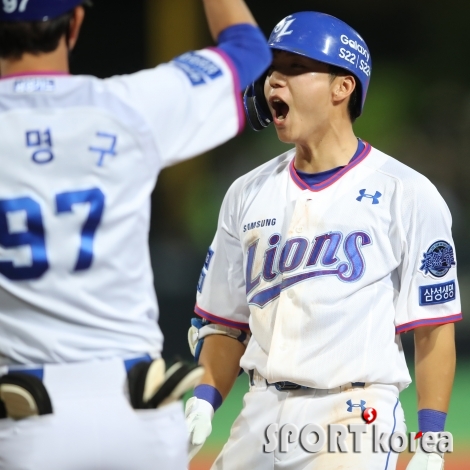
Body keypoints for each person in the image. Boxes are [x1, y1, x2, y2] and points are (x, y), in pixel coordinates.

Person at [0, 0, 271, 469]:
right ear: (76, 22)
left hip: (26, 412)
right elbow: (248, 50)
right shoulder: (130, 104)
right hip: (137, 412)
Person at [185, 11, 460, 470]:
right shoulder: (246, 193)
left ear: (342, 87)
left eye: (294, 68)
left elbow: (433, 328)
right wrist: (204, 400)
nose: (275, 81)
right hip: (260, 410)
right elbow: (226, 322)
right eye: (273, 69)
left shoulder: (406, 192)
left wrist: (432, 443)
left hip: (355, 416)